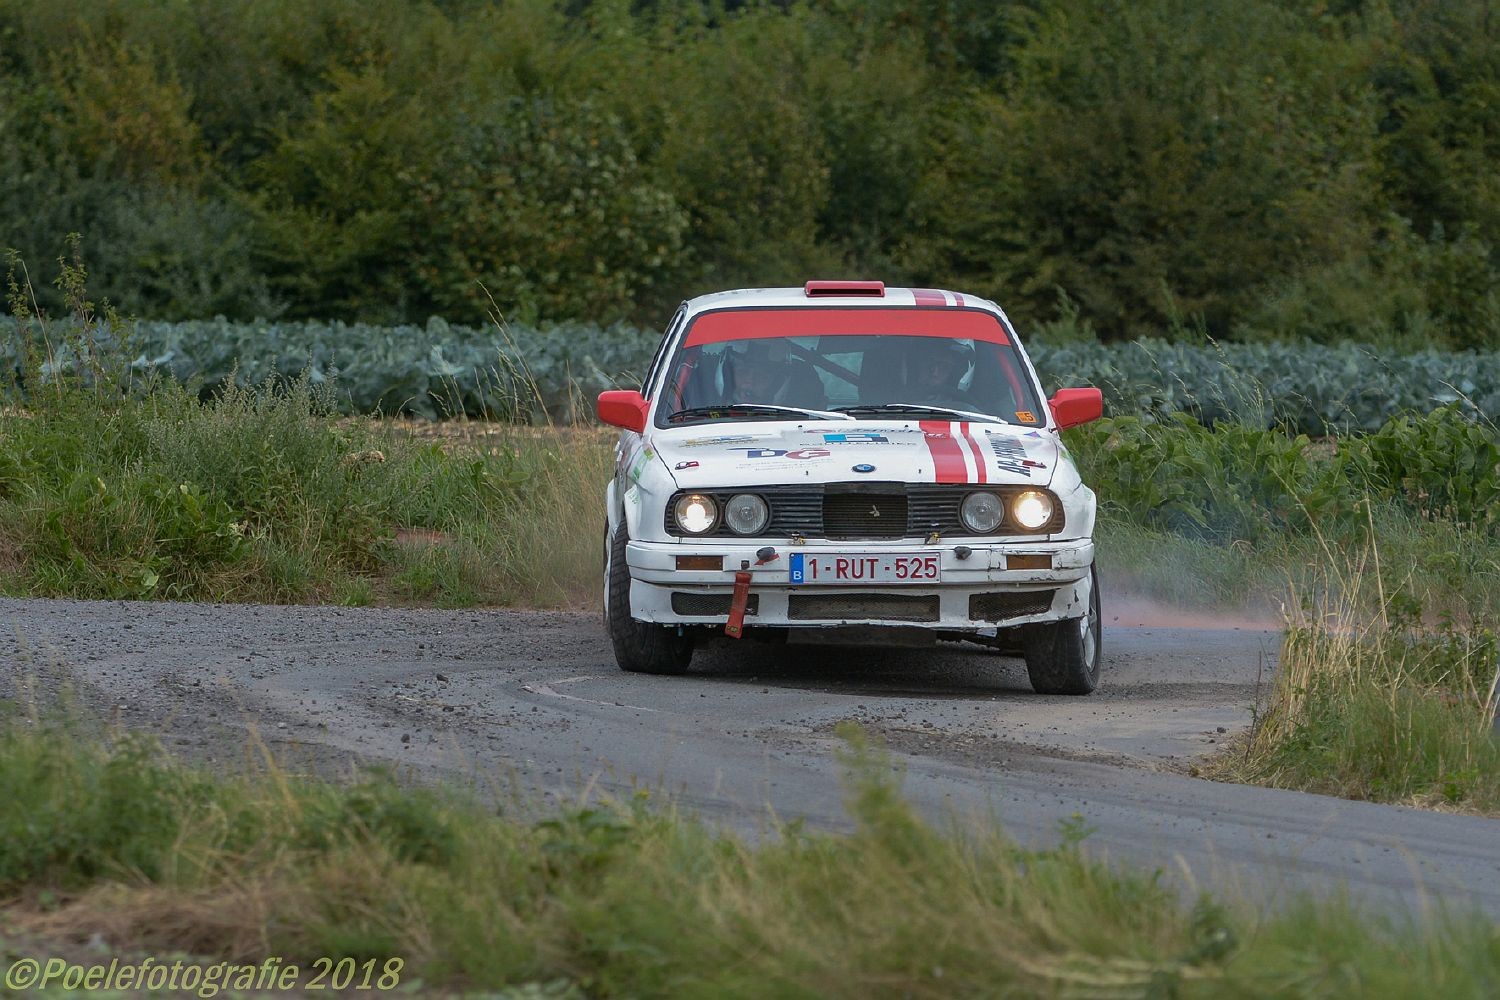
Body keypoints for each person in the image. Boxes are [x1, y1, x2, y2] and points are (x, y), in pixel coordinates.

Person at [904, 337, 975, 409]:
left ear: (953, 374)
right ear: (916, 365)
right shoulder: (895, 402)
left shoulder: (965, 409)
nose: (934, 372)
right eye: (929, 362)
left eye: (944, 366)